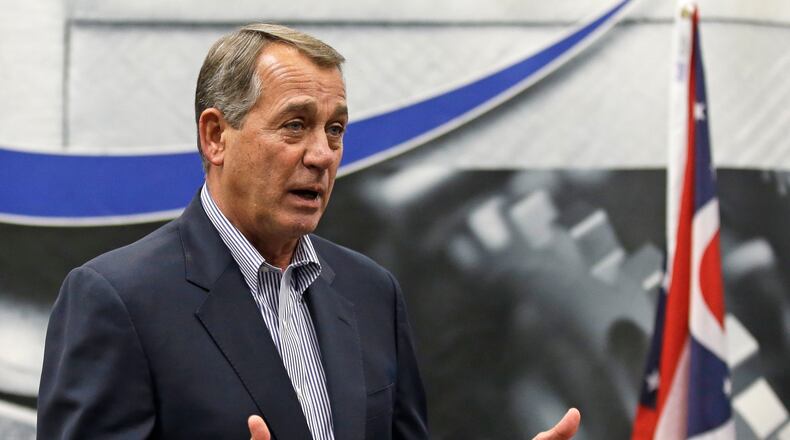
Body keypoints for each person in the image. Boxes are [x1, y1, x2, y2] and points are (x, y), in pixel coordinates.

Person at [37, 24, 581, 439]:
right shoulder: (117, 300)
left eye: (335, 129)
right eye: (295, 125)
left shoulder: (371, 292)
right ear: (215, 136)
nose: (321, 155)